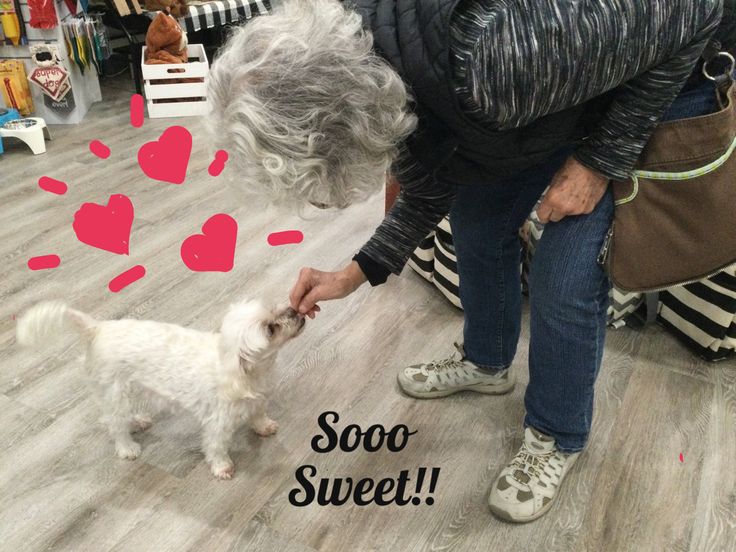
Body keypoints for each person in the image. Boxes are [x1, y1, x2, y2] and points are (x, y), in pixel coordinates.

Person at [207, 0, 729, 522]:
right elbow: (438, 175)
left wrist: (598, 162)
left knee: (565, 272)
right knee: (477, 220)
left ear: (343, 123)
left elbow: (695, 10)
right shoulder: (386, 65)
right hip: (560, 88)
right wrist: (355, 271)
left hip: (660, 75)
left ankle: (556, 433)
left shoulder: (491, 63)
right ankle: (486, 362)